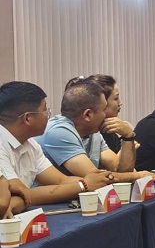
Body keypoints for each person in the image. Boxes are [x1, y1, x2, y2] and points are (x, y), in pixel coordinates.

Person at [0, 81, 114, 211]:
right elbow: (24, 194)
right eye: (45, 110)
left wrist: (96, 180)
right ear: (27, 118)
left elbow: (61, 180)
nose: (48, 115)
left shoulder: (30, 144)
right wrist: (84, 185)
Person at [40, 79, 155, 183]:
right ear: (87, 115)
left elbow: (120, 170)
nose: (105, 115)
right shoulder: (59, 132)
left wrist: (128, 136)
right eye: (103, 109)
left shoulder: (93, 132)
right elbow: (96, 177)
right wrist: (138, 176)